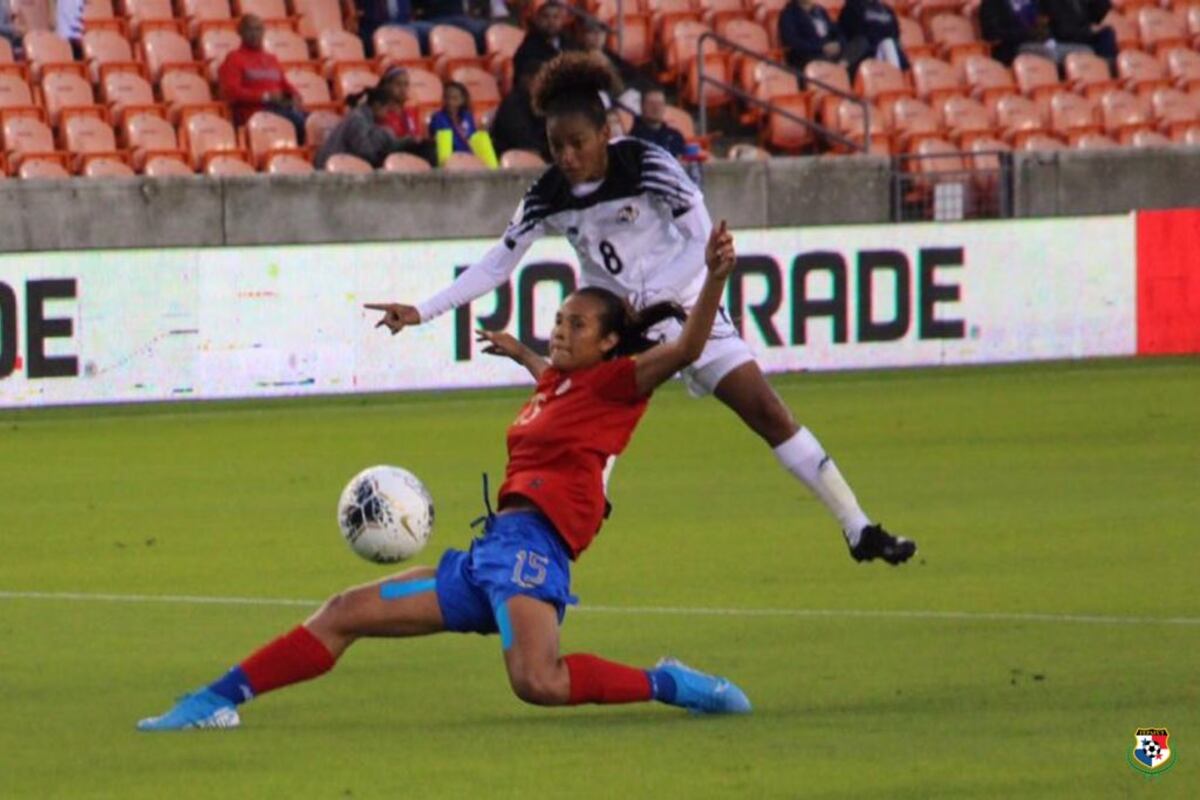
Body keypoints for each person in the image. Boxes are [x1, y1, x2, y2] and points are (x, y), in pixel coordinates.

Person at [136, 221, 751, 731]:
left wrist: (716, 276)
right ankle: (214, 700)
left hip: (529, 557)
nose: (561, 329)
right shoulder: (559, 384)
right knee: (344, 611)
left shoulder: (619, 384)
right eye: (560, 319)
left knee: (538, 681)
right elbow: (558, 397)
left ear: (611, 342)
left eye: (577, 325)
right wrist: (525, 355)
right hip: (488, 560)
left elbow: (687, 349)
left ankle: (670, 683)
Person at [367, 53, 918, 566]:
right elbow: (496, 265)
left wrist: (650, 302)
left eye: (578, 143)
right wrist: (422, 311)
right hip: (615, 331)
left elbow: (702, 247)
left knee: (769, 413)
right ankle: (538, 548)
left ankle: (857, 527)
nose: (567, 156)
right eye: (556, 145)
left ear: (606, 134)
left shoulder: (646, 164)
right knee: (583, 442)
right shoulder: (548, 193)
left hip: (683, 305)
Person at [217, 14, 307, 140]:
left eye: (258, 29)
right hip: (255, 113)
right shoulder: (234, 59)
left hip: (280, 108)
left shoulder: (271, 59)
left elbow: (284, 83)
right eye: (250, 29)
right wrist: (265, 96)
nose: (254, 34)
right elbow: (233, 92)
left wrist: (295, 94)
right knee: (299, 122)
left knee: (314, 122)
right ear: (240, 32)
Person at [315, 83, 418, 168]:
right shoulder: (357, 119)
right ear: (377, 106)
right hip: (332, 168)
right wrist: (385, 135)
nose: (389, 113)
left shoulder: (365, 119)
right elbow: (365, 153)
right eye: (387, 109)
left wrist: (404, 142)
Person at [376, 67, 438, 163]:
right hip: (391, 155)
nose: (403, 89)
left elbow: (417, 136)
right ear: (386, 86)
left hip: (413, 153)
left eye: (406, 85)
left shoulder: (411, 111)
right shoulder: (380, 112)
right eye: (398, 84)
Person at [490, 62, 549, 158]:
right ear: (526, 79)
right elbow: (528, 148)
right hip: (517, 165)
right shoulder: (513, 107)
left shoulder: (544, 102)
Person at [837, 0, 909, 74]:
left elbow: (895, 34)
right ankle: (895, 77)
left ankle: (895, 77)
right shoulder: (851, 8)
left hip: (886, 52)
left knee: (888, 43)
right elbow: (850, 34)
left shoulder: (887, 10)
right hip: (866, 55)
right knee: (887, 43)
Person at [512, 0, 574, 84]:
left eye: (555, 17)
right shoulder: (529, 47)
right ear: (537, 20)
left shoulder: (570, 43)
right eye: (545, 16)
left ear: (562, 20)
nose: (551, 21)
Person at [980, 0, 1057, 65]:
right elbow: (991, 34)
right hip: (1012, 48)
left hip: (1040, 42)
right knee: (1048, 52)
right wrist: (1025, 34)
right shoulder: (992, 3)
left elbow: (1045, 22)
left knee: (1063, 49)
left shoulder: (1034, 2)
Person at [779, 0, 849, 71]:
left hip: (828, 51)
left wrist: (839, 43)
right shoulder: (788, 15)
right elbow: (793, 42)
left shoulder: (820, 11)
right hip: (808, 56)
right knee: (834, 61)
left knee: (857, 47)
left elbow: (836, 31)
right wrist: (821, 48)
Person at [1041, 0, 1117, 63]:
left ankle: (1108, 69)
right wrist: (1089, 30)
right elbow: (1063, 31)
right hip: (1064, 40)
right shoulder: (1052, 2)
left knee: (1106, 33)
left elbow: (1097, 16)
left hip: (1084, 35)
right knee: (1089, 47)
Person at [630, 87, 686, 158]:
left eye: (660, 104)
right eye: (651, 103)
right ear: (642, 106)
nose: (656, 108)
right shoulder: (633, 139)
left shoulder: (676, 136)